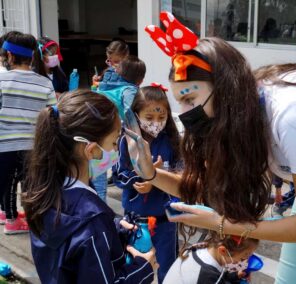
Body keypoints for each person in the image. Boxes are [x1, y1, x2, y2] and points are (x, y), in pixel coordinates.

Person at [133, 12, 296, 284]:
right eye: (180, 100)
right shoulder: (239, 115)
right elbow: (207, 186)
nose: (184, 112)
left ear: (224, 89)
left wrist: (220, 224)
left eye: (190, 98)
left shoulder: (292, 115)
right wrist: (151, 175)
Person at [22, 90, 157, 283]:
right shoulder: (93, 218)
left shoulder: (45, 194)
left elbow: (69, 255)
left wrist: (113, 228)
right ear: (92, 150)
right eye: (113, 142)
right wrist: (143, 268)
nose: (115, 150)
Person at [113, 84, 181, 283]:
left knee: (167, 266)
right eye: (149, 118)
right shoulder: (127, 141)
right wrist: (139, 178)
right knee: (136, 263)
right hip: (135, 220)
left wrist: (157, 177)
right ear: (135, 115)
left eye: (161, 117)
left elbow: (181, 174)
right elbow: (118, 174)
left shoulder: (172, 141)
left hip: (166, 218)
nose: (156, 123)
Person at [0, 31, 56, 234]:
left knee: (5, 186)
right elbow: (52, 118)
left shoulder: (1, 81)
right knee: (32, 190)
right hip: (34, 149)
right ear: (32, 56)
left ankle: (10, 219)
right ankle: (35, 228)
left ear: (10, 56)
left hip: (4, 148)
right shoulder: (45, 83)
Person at [94, 55, 146, 201]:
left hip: (91, 132)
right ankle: (100, 214)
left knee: (95, 176)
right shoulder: (130, 89)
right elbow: (130, 112)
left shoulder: (106, 85)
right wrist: (137, 134)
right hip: (108, 137)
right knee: (100, 184)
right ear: (141, 80)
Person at [164, 233, 259, 284]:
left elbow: (217, 274)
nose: (245, 262)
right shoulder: (208, 277)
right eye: (243, 257)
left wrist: (235, 276)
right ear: (223, 251)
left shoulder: (202, 247)